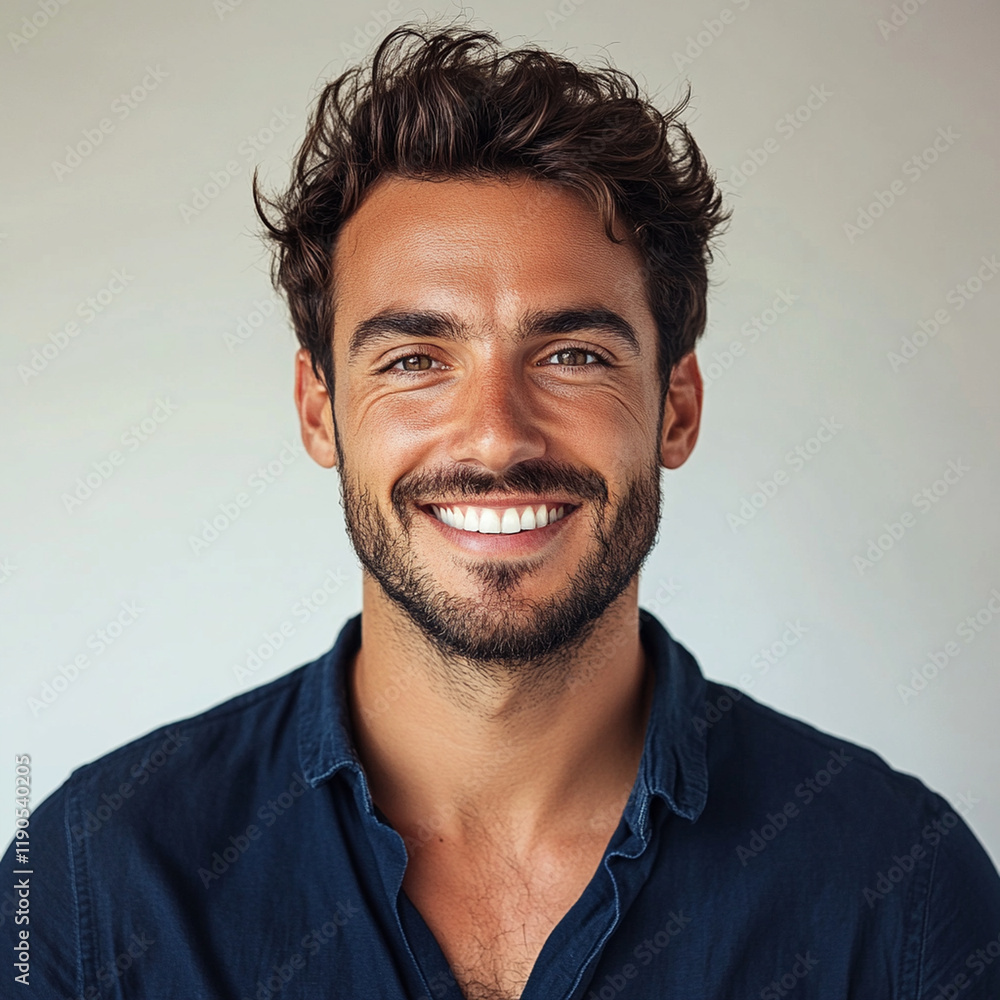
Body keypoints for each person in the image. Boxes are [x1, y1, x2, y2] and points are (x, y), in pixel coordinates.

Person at [4, 23, 999, 1000]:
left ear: (676, 408)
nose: (494, 437)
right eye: (414, 361)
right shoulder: (90, 888)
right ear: (320, 411)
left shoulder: (899, 891)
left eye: (572, 355)